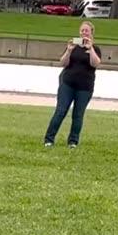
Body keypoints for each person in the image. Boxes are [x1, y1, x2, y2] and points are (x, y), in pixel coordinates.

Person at [44, 21, 102, 149]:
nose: (84, 33)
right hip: (68, 84)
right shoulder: (73, 46)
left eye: (86, 31)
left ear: (92, 33)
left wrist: (90, 48)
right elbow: (63, 63)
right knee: (60, 111)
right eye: (82, 30)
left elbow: (95, 64)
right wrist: (69, 51)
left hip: (85, 87)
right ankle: (49, 139)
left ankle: (73, 141)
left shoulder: (95, 49)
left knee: (78, 114)